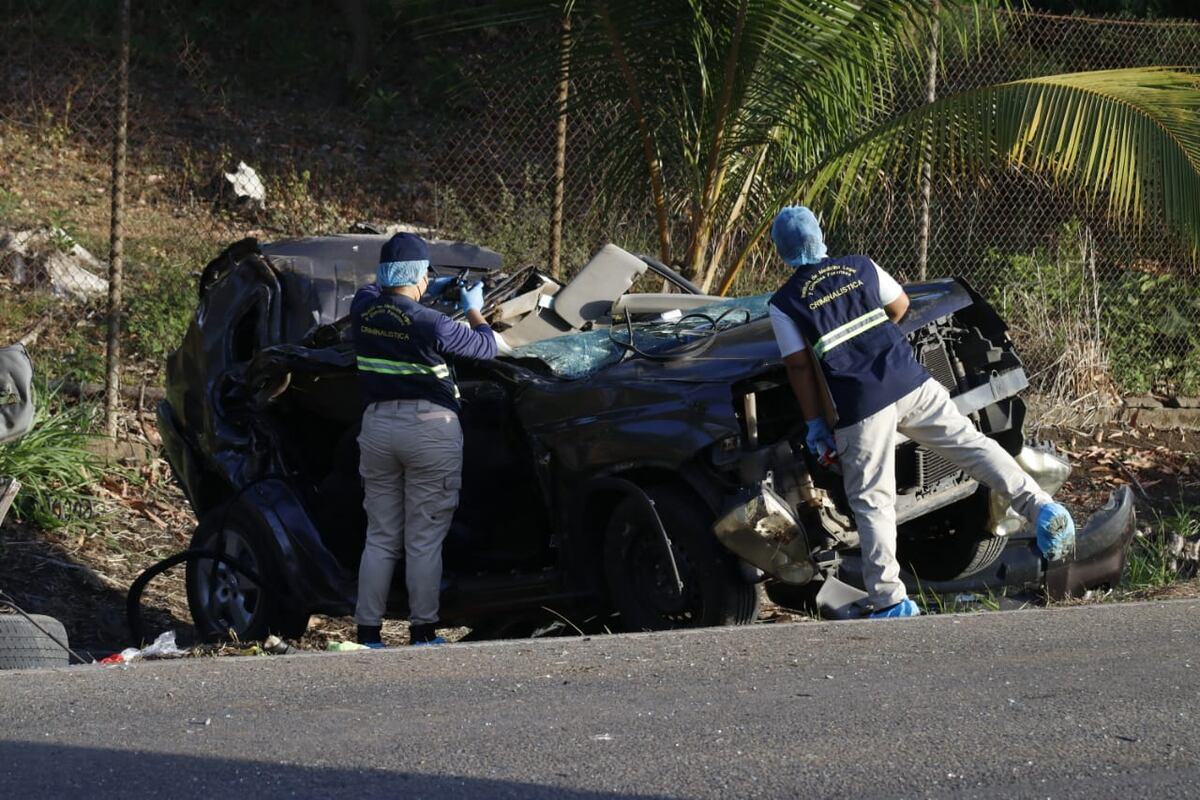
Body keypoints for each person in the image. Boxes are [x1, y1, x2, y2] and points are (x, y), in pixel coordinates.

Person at [767, 206, 1075, 618]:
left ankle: (890, 599)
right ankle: (1042, 507)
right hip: (911, 380)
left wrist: (815, 425)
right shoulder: (861, 266)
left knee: (873, 501)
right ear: (820, 236)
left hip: (860, 406)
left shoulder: (785, 302)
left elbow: (799, 365)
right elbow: (900, 305)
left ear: (781, 251)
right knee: (972, 446)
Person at [351, 233, 497, 646]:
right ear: (419, 276)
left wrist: (426, 287)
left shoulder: (362, 309)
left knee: (380, 536)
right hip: (430, 430)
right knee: (423, 538)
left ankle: (368, 634)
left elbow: (376, 289)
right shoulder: (432, 323)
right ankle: (422, 631)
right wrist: (473, 308)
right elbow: (486, 349)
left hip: (377, 428)